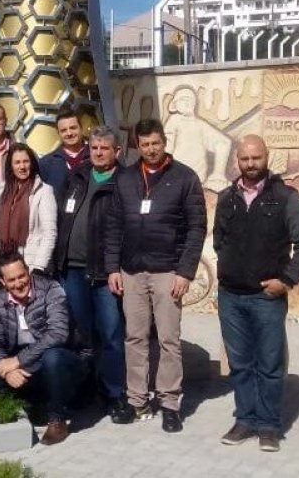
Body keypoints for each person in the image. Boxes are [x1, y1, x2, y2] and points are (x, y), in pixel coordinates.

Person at [214, 134, 299, 453]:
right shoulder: (226, 197)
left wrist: (285, 279)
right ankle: (245, 419)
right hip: (231, 296)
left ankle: (269, 425)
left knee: (269, 364)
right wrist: (233, 267)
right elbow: (219, 239)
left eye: (256, 158)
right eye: (244, 159)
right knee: (241, 363)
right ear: (237, 161)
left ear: (266, 157)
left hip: (267, 298)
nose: (250, 164)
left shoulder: (286, 197)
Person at [106, 118, 207, 433]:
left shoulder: (184, 178)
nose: (151, 149)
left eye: (156, 143)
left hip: (168, 272)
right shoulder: (125, 179)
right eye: (145, 144)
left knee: (168, 339)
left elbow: (196, 228)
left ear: (164, 142)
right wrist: (112, 267)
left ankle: (170, 403)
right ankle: (137, 401)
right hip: (132, 270)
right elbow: (113, 225)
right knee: (134, 338)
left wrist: (186, 271)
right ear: (137, 145)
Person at [53, 126, 127, 421]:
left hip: (104, 273)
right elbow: (61, 216)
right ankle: (83, 388)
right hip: (71, 270)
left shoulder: (126, 181)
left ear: (116, 152)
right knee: (79, 335)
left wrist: (117, 267)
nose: (97, 153)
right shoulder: (77, 176)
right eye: (94, 148)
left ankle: (113, 393)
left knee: (110, 334)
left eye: (104, 148)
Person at [0, 253, 78, 445]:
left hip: (62, 358)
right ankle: (29, 406)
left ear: (28, 273)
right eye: (11, 280)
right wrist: (4, 370)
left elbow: (58, 334)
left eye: (21, 276)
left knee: (52, 358)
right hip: (26, 363)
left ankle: (57, 419)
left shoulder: (51, 289)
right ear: (2, 281)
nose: (18, 283)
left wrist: (17, 361)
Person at [0, 144, 56, 273]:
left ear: (32, 163)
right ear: (10, 166)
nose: (22, 167)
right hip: (5, 264)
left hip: (30, 264)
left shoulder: (44, 191)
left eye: (25, 161)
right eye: (17, 162)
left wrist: (39, 266)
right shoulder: (3, 191)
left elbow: (49, 233)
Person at [39, 108, 88, 201]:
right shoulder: (46, 164)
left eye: (73, 128)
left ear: (81, 129)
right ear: (58, 133)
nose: (69, 133)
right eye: (64, 130)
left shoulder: (96, 156)